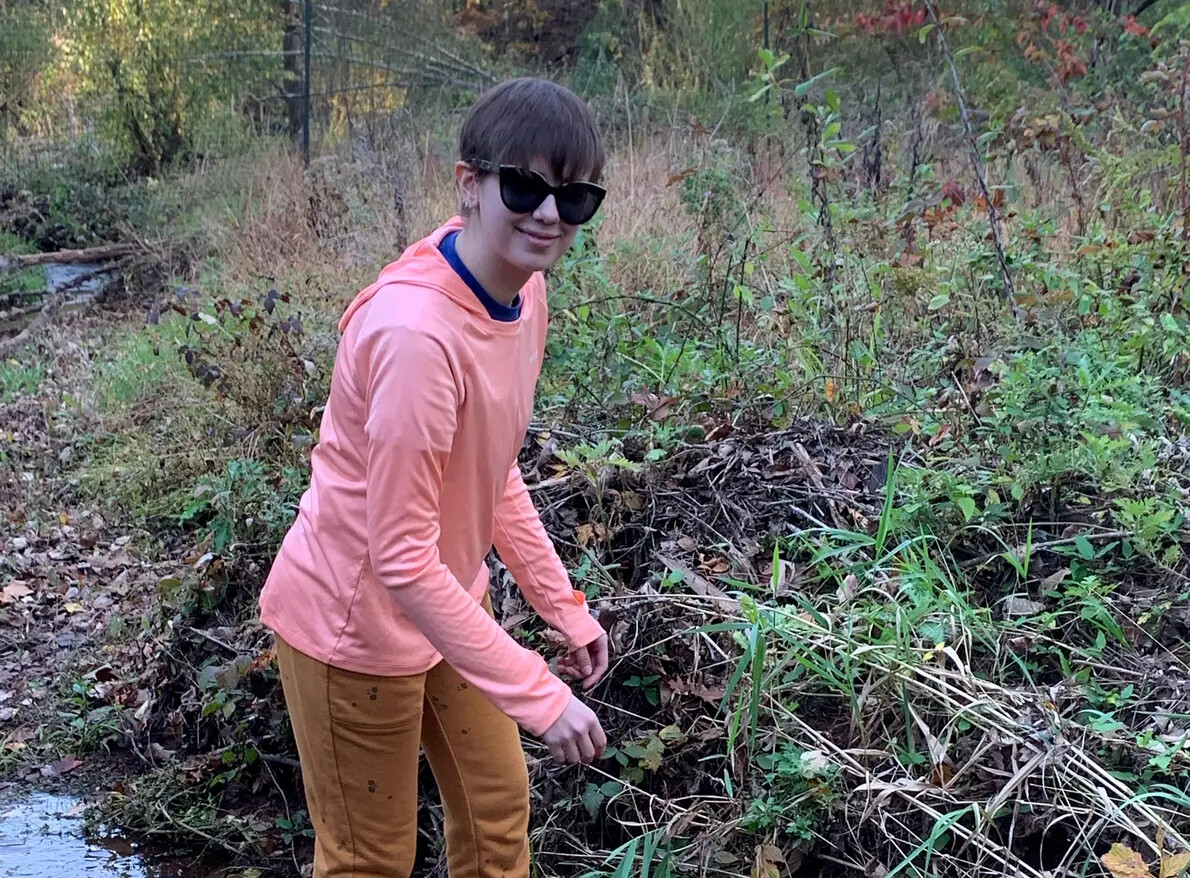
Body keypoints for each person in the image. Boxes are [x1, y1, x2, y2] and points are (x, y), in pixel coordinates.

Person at [258, 77, 611, 878]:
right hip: (351, 628)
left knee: (496, 813)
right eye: (525, 185)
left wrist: (563, 608)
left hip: (444, 607)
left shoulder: (527, 293)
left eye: (575, 197)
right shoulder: (417, 334)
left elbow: (490, 470)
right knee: (370, 859)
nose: (549, 214)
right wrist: (540, 692)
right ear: (470, 185)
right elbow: (398, 557)